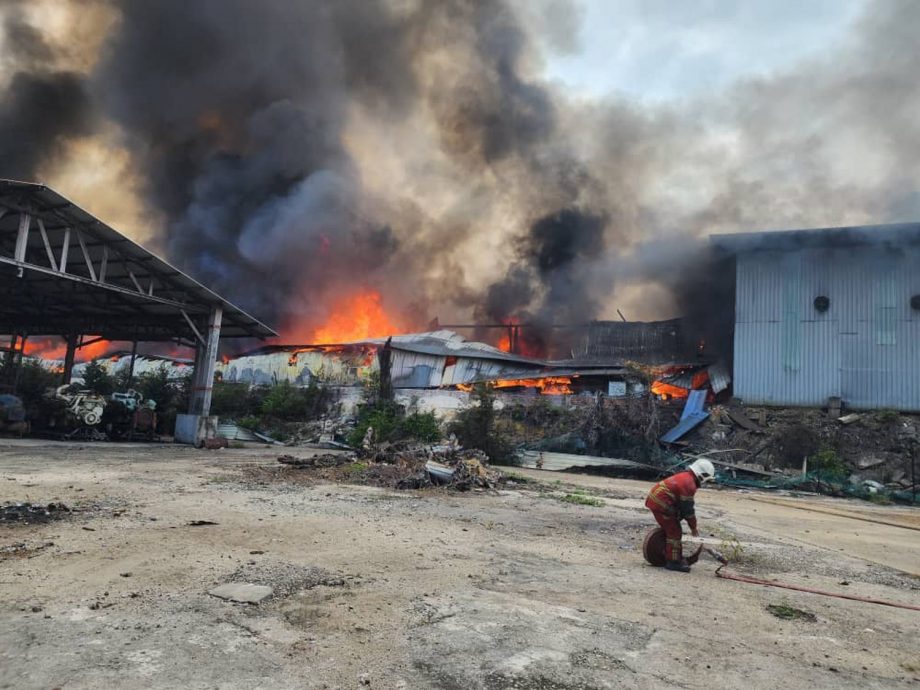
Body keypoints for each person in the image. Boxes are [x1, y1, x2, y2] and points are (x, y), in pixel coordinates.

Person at [645, 458, 715, 572]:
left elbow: (683, 508)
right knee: (675, 532)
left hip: (656, 501)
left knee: (673, 526)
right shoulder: (689, 484)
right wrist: (693, 527)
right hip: (661, 505)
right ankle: (673, 562)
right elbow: (688, 510)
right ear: (702, 475)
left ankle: (671, 554)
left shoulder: (685, 476)